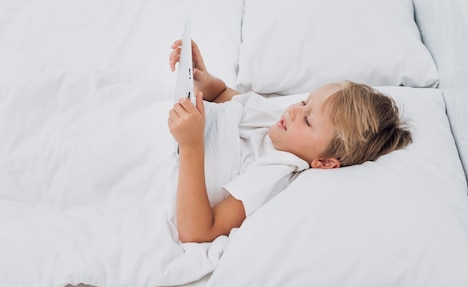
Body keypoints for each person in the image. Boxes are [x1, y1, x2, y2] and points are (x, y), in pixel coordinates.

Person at [167, 39, 412, 243]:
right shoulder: (276, 119)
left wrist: (191, 146)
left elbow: (198, 233)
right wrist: (200, 77)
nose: (294, 110)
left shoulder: (274, 172)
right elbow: (221, 95)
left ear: (325, 162)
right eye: (305, 102)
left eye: (308, 120)